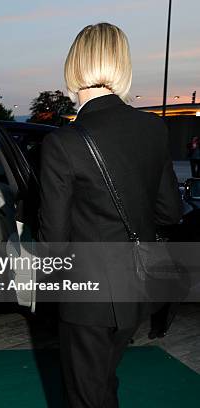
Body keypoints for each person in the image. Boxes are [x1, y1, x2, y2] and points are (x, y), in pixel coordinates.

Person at [38, 23, 182, 407]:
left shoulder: (62, 142)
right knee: (102, 385)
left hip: (86, 299)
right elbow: (169, 211)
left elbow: (54, 240)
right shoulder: (153, 128)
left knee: (86, 396)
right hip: (136, 289)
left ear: (74, 65)